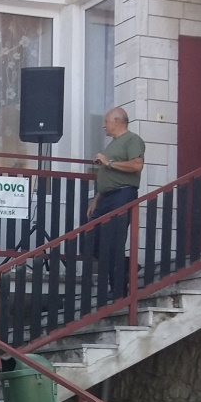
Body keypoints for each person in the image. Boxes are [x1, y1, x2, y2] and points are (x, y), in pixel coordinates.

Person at [88, 107, 145, 304]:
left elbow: (137, 165)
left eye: (106, 121)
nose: (103, 126)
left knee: (114, 242)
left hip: (122, 194)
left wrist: (109, 162)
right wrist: (97, 199)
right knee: (91, 240)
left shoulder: (132, 140)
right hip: (106, 197)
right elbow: (108, 175)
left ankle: (118, 289)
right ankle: (127, 266)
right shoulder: (113, 144)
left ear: (116, 121)